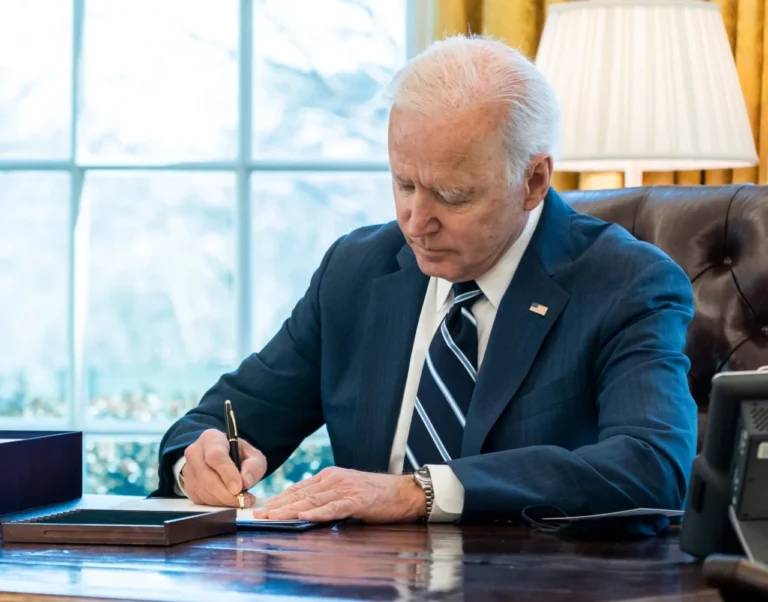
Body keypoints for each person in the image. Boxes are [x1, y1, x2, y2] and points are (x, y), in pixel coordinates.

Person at [154, 35, 697, 527]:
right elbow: (216, 419)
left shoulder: (628, 283)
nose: (415, 222)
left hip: (537, 581)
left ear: (533, 181)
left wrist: (421, 492)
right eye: (404, 183)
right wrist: (197, 463)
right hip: (362, 582)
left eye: (452, 196)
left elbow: (651, 467)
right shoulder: (356, 270)